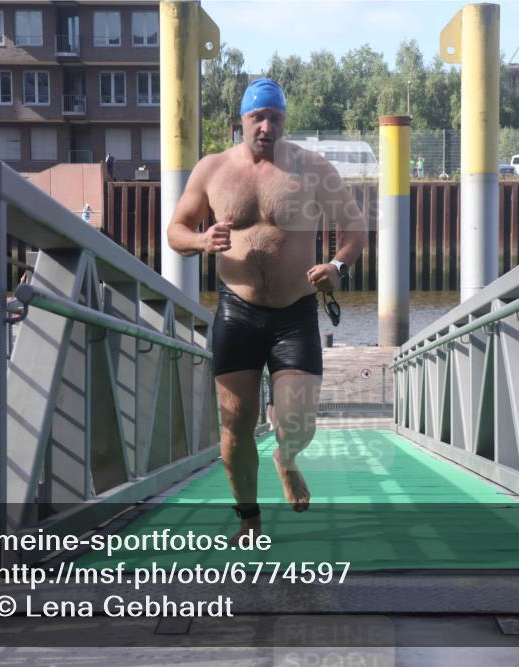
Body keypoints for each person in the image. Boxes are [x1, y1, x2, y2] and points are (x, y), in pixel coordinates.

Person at [166, 78, 367, 543]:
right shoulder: (213, 170)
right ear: (242, 121)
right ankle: (248, 519)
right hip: (236, 312)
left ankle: (287, 456)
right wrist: (201, 240)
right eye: (258, 117)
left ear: (284, 121)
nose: (267, 127)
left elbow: (353, 229)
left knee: (299, 422)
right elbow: (176, 229)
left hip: (293, 313)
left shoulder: (312, 170)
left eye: (275, 118)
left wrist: (337, 264)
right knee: (234, 422)